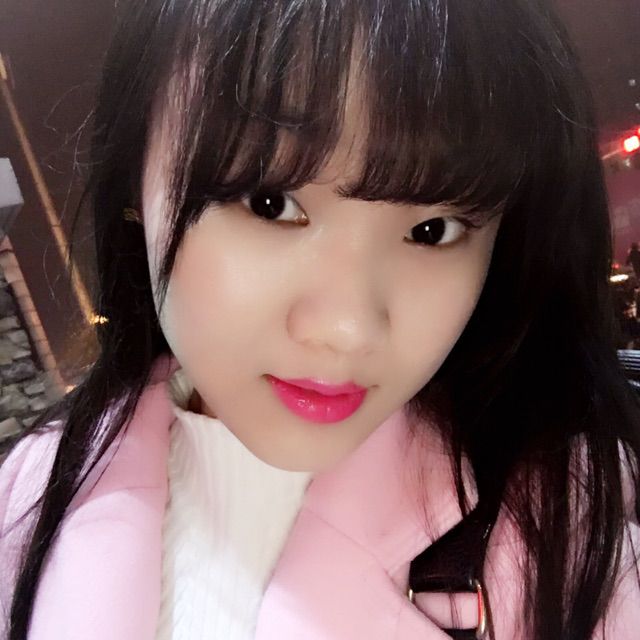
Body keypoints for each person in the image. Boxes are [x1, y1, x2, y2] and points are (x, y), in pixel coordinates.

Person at [1, 1, 639, 638]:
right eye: (269, 202)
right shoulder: (27, 499)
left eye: (433, 230)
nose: (347, 329)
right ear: (134, 181)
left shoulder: (564, 529)